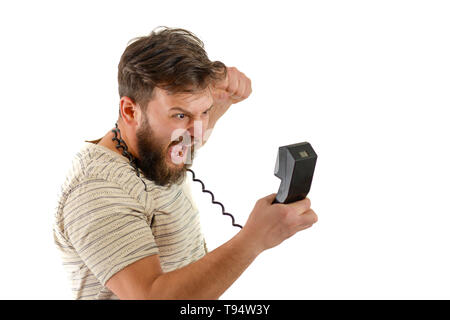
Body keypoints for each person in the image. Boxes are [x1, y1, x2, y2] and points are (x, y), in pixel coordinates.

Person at [53, 26, 318, 300]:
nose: (196, 131)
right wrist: (253, 239)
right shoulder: (96, 190)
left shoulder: (159, 149)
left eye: (203, 111)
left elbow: (190, 133)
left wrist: (218, 102)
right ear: (130, 111)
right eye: (180, 116)